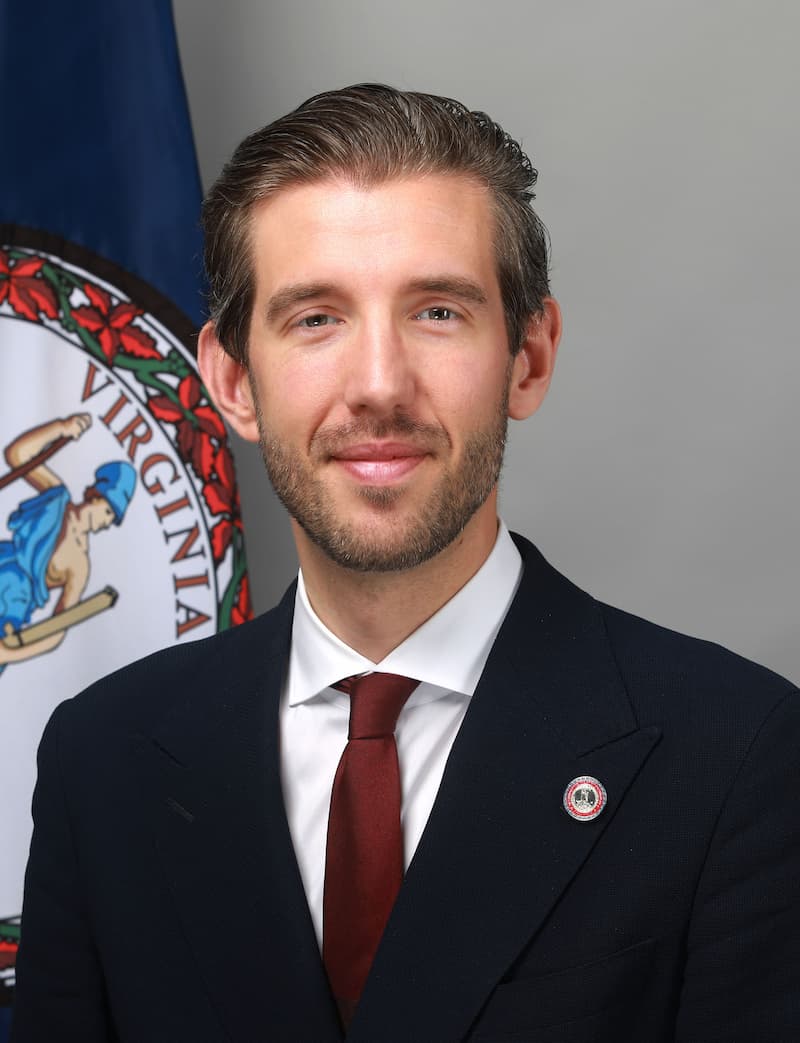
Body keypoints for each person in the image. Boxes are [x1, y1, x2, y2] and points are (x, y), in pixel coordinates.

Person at [11, 85, 799, 1042]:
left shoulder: (740, 756)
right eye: (316, 318)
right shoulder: (101, 760)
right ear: (233, 381)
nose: (379, 385)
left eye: (436, 311)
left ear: (528, 357)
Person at [0, 415, 135, 673]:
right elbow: (17, 455)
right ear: (95, 495)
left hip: (9, 611)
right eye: (108, 511)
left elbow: (57, 630)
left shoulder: (79, 565)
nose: (107, 522)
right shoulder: (56, 497)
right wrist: (61, 428)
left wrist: (9, 654)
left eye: (113, 518)